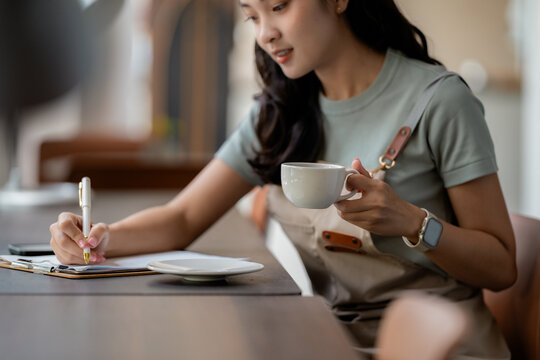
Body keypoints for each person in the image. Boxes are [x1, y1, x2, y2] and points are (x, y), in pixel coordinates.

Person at [49, 0, 516, 358]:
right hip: (330, 343)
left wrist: (412, 222)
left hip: (442, 349)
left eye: (279, 7)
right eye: (251, 16)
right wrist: (100, 240)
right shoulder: (280, 114)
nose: (266, 34)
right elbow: (184, 216)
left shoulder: (440, 102)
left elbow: (501, 266)